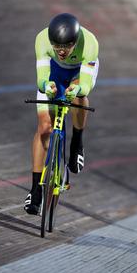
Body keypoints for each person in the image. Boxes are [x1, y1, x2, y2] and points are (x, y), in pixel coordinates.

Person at [24, 13, 99, 215]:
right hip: (53, 74)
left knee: (78, 98)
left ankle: (77, 141)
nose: (61, 50)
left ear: (75, 41)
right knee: (44, 128)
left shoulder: (90, 43)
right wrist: (46, 86)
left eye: (66, 46)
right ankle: (35, 189)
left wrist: (77, 89)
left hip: (77, 75)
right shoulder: (42, 40)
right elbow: (42, 78)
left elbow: (84, 84)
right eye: (57, 46)